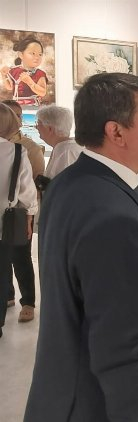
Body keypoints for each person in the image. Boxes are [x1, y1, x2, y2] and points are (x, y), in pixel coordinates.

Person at [25, 73, 138, 421]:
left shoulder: (73, 183)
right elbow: (121, 351)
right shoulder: (112, 215)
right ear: (116, 132)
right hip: (99, 405)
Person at [1, 99, 42, 319]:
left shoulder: (26, 147)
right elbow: (27, 190)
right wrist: (29, 216)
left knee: (19, 259)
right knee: (14, 260)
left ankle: (25, 301)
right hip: (11, 215)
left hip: (10, 217)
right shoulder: (16, 150)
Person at [36, 105, 83, 181]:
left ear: (50, 129)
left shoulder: (66, 152)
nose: (36, 127)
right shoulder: (66, 148)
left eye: (38, 123)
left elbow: (64, 185)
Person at [1, 37, 48, 106]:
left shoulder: (40, 73)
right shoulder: (14, 70)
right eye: (33, 53)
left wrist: (30, 82)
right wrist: (4, 75)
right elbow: (10, 87)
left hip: (33, 105)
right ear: (21, 55)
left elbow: (43, 92)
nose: (37, 57)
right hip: (16, 105)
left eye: (40, 54)